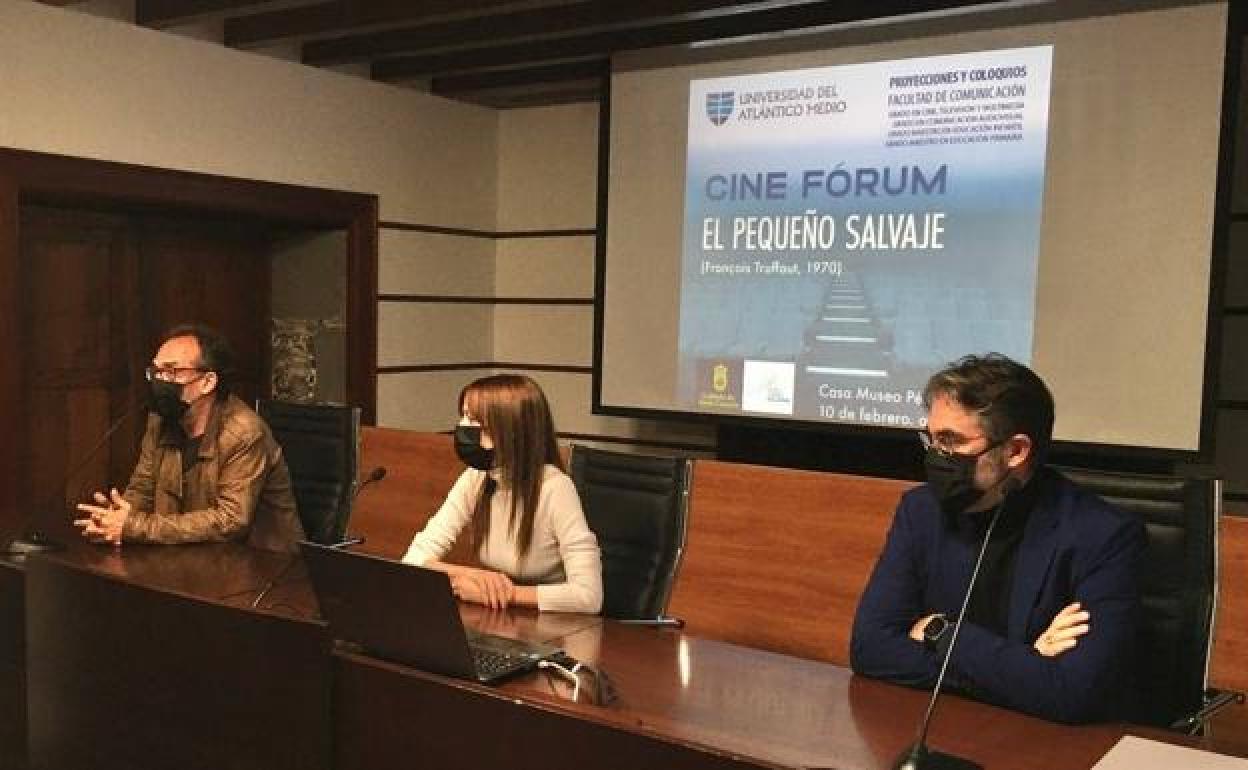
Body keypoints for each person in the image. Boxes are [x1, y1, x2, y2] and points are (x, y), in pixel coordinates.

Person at [850, 354, 1145, 724]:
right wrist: (1026, 664)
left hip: (1042, 744)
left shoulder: (1102, 535)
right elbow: (870, 648)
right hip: (947, 724)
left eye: (951, 441)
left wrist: (941, 633)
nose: (937, 456)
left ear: (1015, 451)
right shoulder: (921, 511)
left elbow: (1073, 692)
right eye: (932, 439)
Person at [74, 324, 304, 552]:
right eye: (155, 372)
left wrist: (134, 526)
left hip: (263, 561)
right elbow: (143, 489)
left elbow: (231, 520)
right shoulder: (160, 421)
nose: (160, 381)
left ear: (207, 382)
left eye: (171, 371)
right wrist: (113, 520)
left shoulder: (244, 432)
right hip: (193, 555)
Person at [402, 374, 603, 614]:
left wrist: (503, 593)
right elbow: (413, 559)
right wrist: (470, 576)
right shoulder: (476, 477)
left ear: (511, 430)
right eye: (464, 416)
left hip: (553, 624)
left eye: (475, 420)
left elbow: (588, 596)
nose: (463, 427)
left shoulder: (555, 487)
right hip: (500, 617)